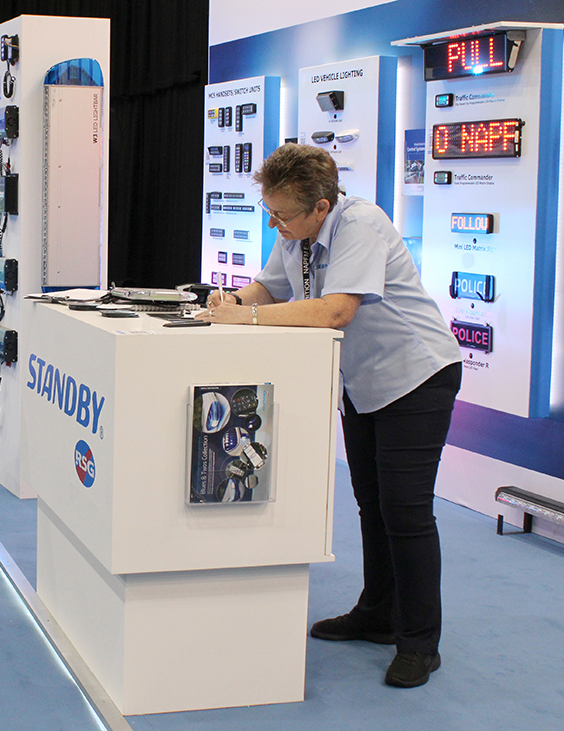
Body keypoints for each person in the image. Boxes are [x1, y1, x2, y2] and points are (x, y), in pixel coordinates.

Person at [197, 144, 462, 689]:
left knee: (406, 511)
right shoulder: (295, 229)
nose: (275, 223)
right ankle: (378, 615)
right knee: (371, 504)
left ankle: (420, 643)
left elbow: (337, 309)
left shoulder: (361, 223)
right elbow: (268, 287)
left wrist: (248, 318)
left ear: (321, 207)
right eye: (269, 213)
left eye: (283, 215)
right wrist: (225, 305)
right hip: (364, 384)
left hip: (416, 378)